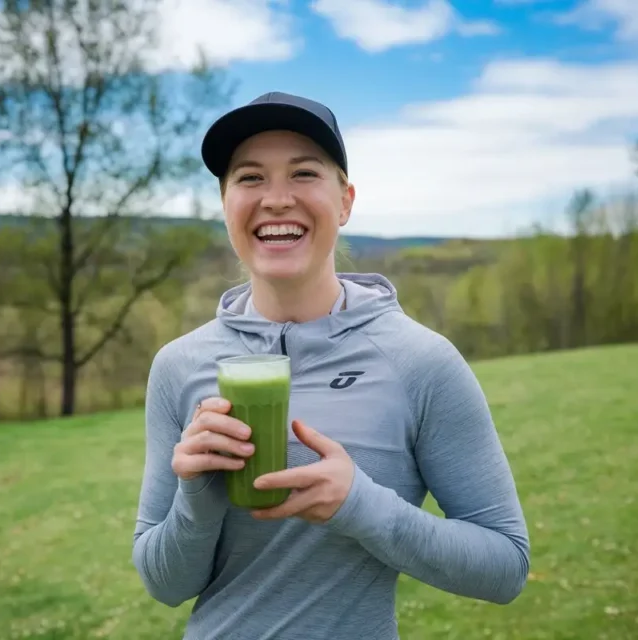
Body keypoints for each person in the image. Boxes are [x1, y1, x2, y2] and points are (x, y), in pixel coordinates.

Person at [132, 91, 530, 640]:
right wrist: (196, 494)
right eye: (249, 178)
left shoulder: (421, 362)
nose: (275, 199)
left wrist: (361, 505)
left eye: (303, 174)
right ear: (224, 203)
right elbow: (164, 584)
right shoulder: (178, 365)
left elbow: (505, 566)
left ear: (344, 201)